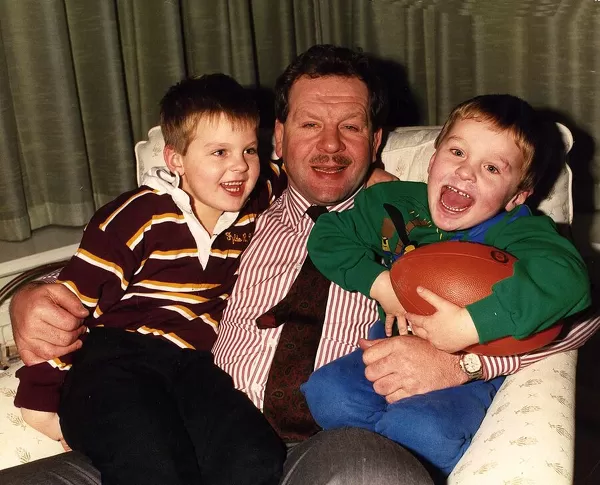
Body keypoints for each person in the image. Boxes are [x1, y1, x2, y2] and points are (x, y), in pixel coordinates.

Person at [5, 44, 600, 485]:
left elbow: (571, 319)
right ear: (278, 137)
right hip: (176, 427)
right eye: (310, 125)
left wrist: (465, 361)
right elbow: (138, 261)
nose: (330, 145)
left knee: (372, 473)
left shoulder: (424, 225)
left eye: (351, 127)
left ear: (376, 138)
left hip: (324, 452)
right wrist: (36, 297)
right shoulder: (236, 205)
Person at [13, 73, 288, 485]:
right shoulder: (137, 216)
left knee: (255, 456)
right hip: (117, 360)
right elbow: (67, 305)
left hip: (192, 365)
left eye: (249, 149)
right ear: (175, 159)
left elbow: (290, 175)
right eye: (219, 152)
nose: (239, 165)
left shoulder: (251, 204)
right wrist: (41, 399)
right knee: (152, 463)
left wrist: (372, 175)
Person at [301, 94, 591, 477]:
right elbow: (328, 234)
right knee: (327, 394)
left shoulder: (521, 232)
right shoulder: (394, 203)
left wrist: (470, 326)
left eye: (491, 168)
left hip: (472, 357)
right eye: (457, 152)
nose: (466, 172)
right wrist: (381, 285)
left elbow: (568, 280)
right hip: (392, 339)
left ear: (516, 196)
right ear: (433, 158)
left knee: (421, 429)